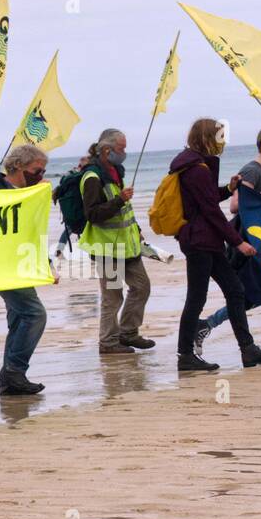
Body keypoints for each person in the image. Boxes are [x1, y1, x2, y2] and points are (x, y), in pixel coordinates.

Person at [171, 118, 261, 371]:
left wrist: (228, 189)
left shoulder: (200, 166)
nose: (223, 142)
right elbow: (210, 211)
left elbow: (209, 198)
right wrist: (238, 242)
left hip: (208, 240)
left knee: (236, 291)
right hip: (199, 241)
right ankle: (185, 355)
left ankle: (248, 350)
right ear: (207, 137)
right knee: (196, 297)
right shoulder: (195, 169)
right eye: (219, 137)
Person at [80, 129, 153, 356]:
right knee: (112, 296)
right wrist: (119, 200)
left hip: (127, 246)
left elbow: (125, 211)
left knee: (141, 287)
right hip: (107, 249)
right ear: (106, 150)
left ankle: (128, 332)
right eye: (121, 148)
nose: (124, 153)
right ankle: (108, 343)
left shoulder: (115, 170)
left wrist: (137, 229)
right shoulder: (92, 176)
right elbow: (92, 214)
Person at [0, 144, 52, 395]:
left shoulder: (27, 192)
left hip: (20, 264)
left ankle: (9, 379)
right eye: (36, 170)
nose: (40, 175)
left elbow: (32, 232)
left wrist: (44, 263)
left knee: (18, 320)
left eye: (43, 171)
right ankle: (15, 370)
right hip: (2, 266)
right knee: (35, 315)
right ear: (17, 167)